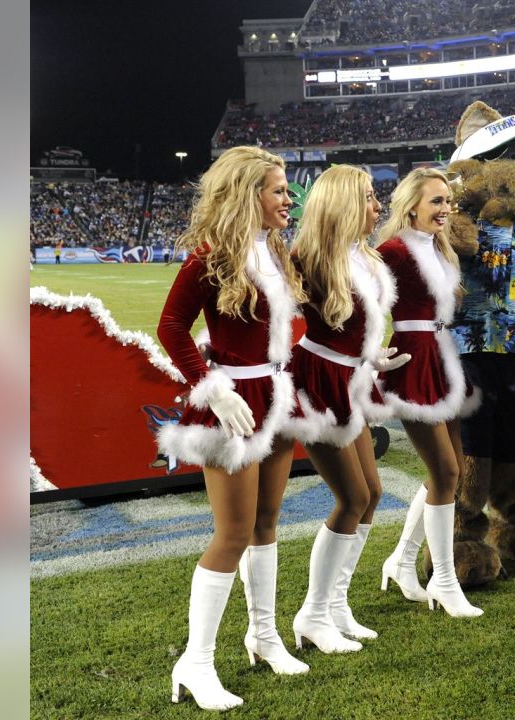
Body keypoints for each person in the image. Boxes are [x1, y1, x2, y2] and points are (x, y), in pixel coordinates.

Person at [156, 146, 305, 711]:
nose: (288, 198)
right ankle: (194, 662)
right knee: (233, 533)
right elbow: (171, 327)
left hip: (275, 396)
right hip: (232, 402)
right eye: (278, 189)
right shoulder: (211, 255)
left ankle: (263, 637)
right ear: (249, 195)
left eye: (287, 189)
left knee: (267, 522)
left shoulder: (276, 250)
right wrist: (213, 391)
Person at [279, 165, 408, 654]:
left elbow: (357, 328)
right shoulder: (308, 256)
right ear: (345, 203)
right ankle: (312, 613)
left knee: (372, 493)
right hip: (319, 381)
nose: (378, 206)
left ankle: (335, 604)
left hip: (352, 379)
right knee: (352, 496)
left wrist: (373, 356)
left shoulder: (364, 256)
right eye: (371, 197)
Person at [374, 168, 482, 617]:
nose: (444, 209)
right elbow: (361, 299)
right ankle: (443, 579)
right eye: (435, 201)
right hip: (412, 360)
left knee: (452, 469)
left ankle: (401, 560)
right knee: (445, 473)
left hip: (443, 357)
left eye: (448, 201)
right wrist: (368, 352)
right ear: (412, 204)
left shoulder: (441, 249)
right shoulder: (394, 250)